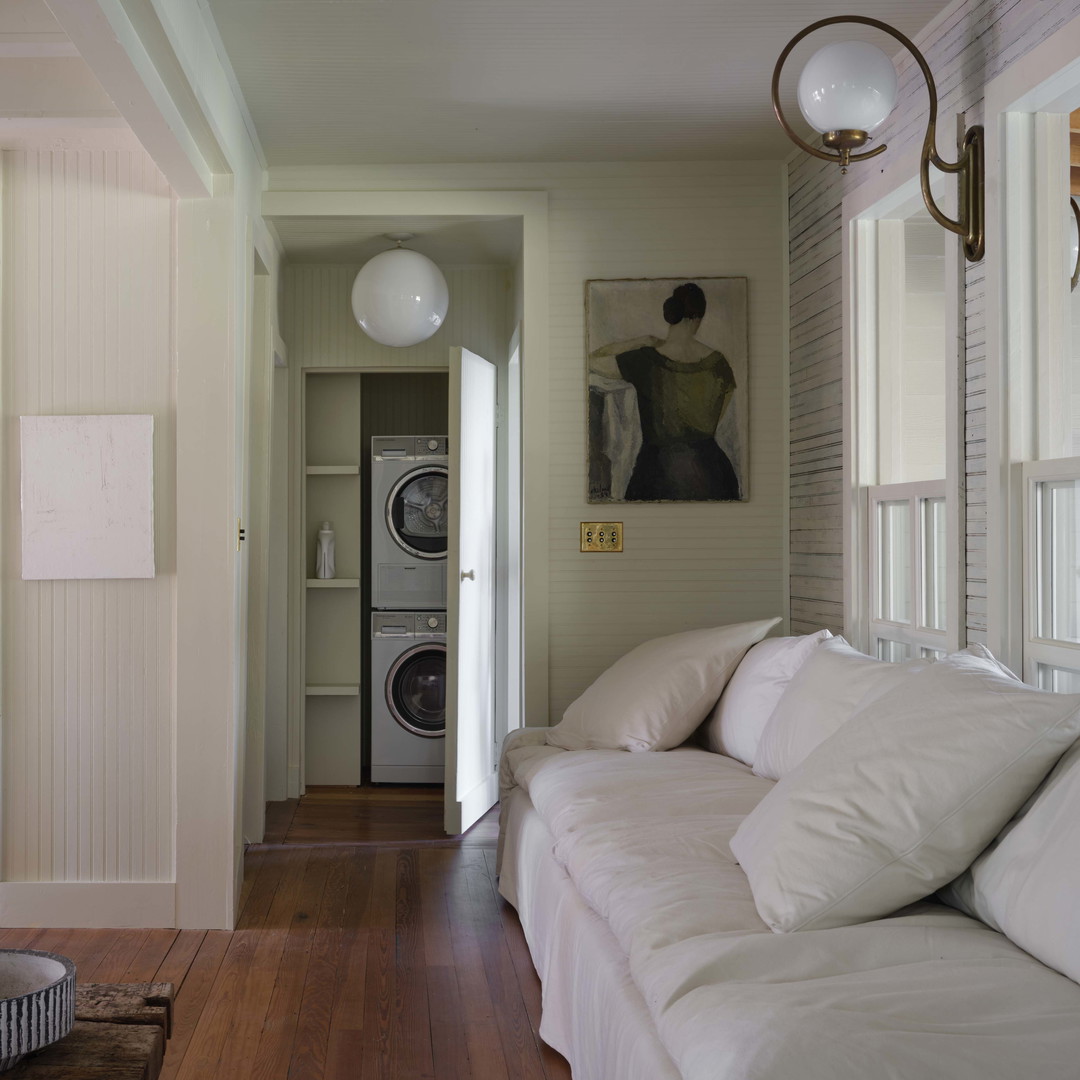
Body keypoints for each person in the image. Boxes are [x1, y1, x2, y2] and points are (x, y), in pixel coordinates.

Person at [589, 282, 740, 501]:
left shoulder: (645, 360)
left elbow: (591, 361)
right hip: (713, 476)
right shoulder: (719, 365)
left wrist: (640, 341)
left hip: (657, 474)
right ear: (698, 318)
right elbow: (721, 409)